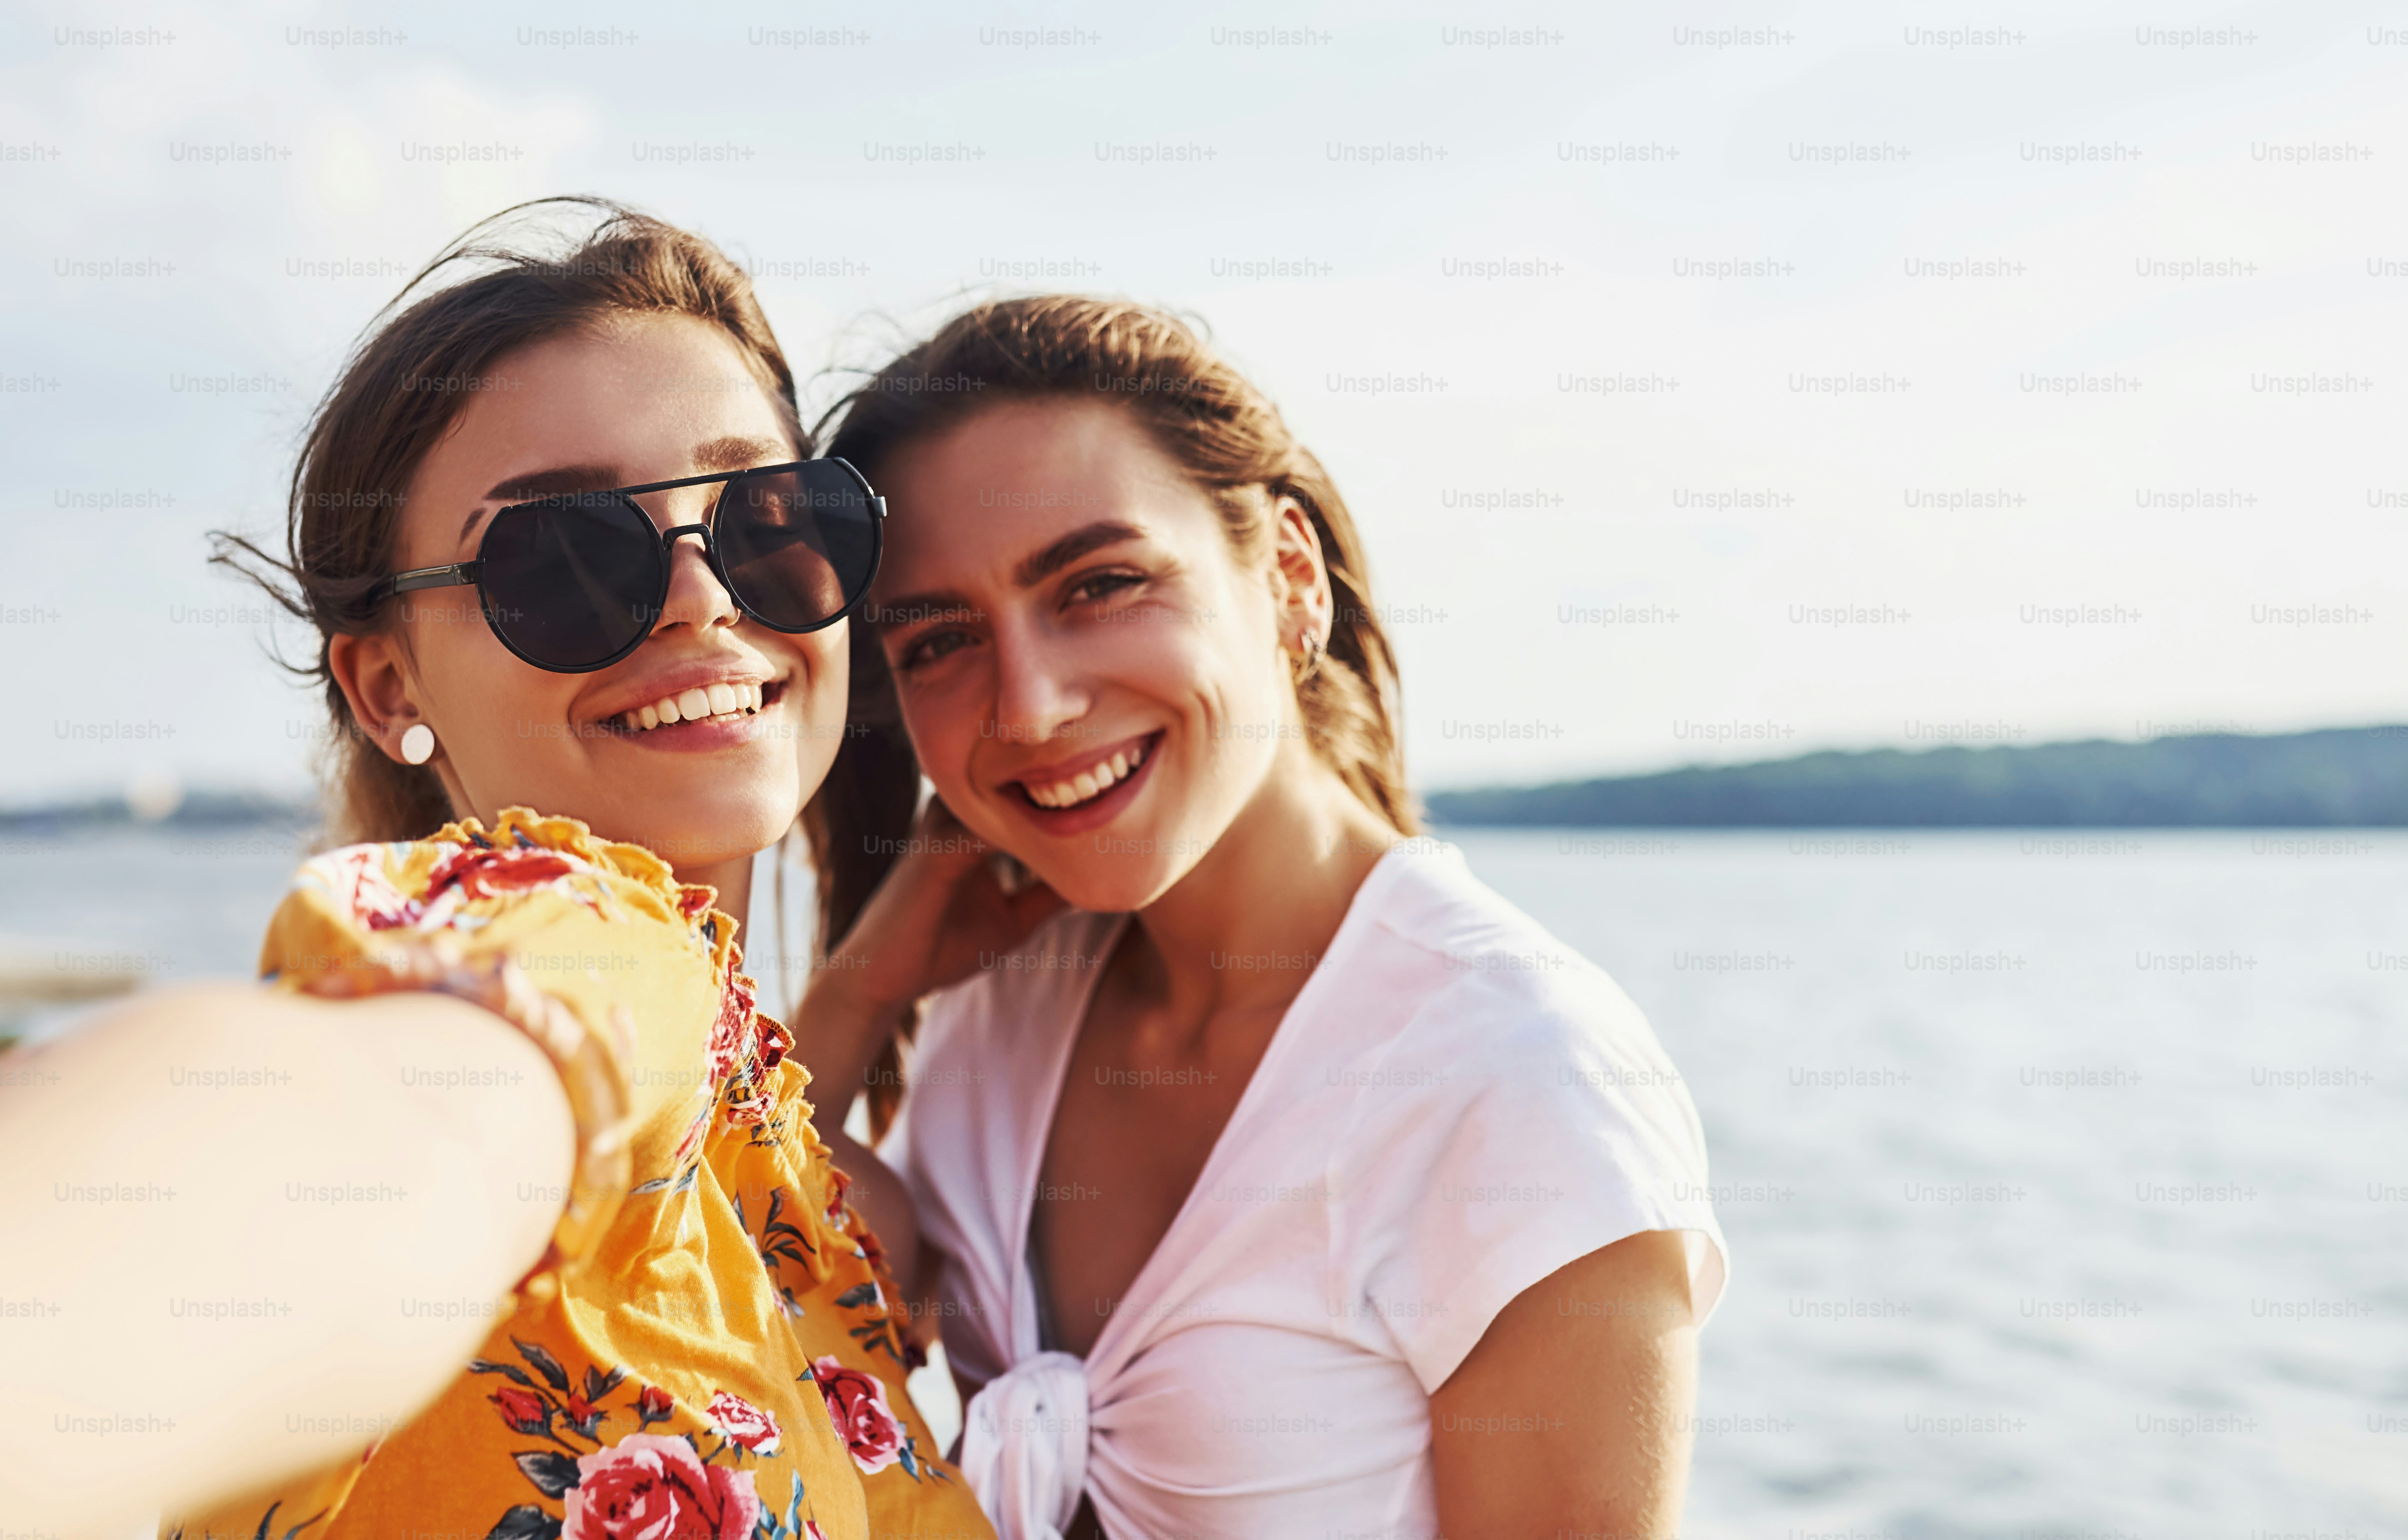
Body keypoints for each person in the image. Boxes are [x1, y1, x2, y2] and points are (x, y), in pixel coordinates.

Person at [0, 201, 990, 1540]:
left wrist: (860, 998)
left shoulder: (846, 1220)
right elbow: (379, 1131)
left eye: (762, 517)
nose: (704, 598)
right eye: (566, 556)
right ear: (388, 680)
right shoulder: (565, 941)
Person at [795, 297, 1731, 1539]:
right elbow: (667, 1300)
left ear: (1286, 576)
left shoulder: (1518, 1077)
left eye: (1098, 583)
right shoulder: (988, 1011)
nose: (1025, 708)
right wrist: (858, 995)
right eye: (939, 642)